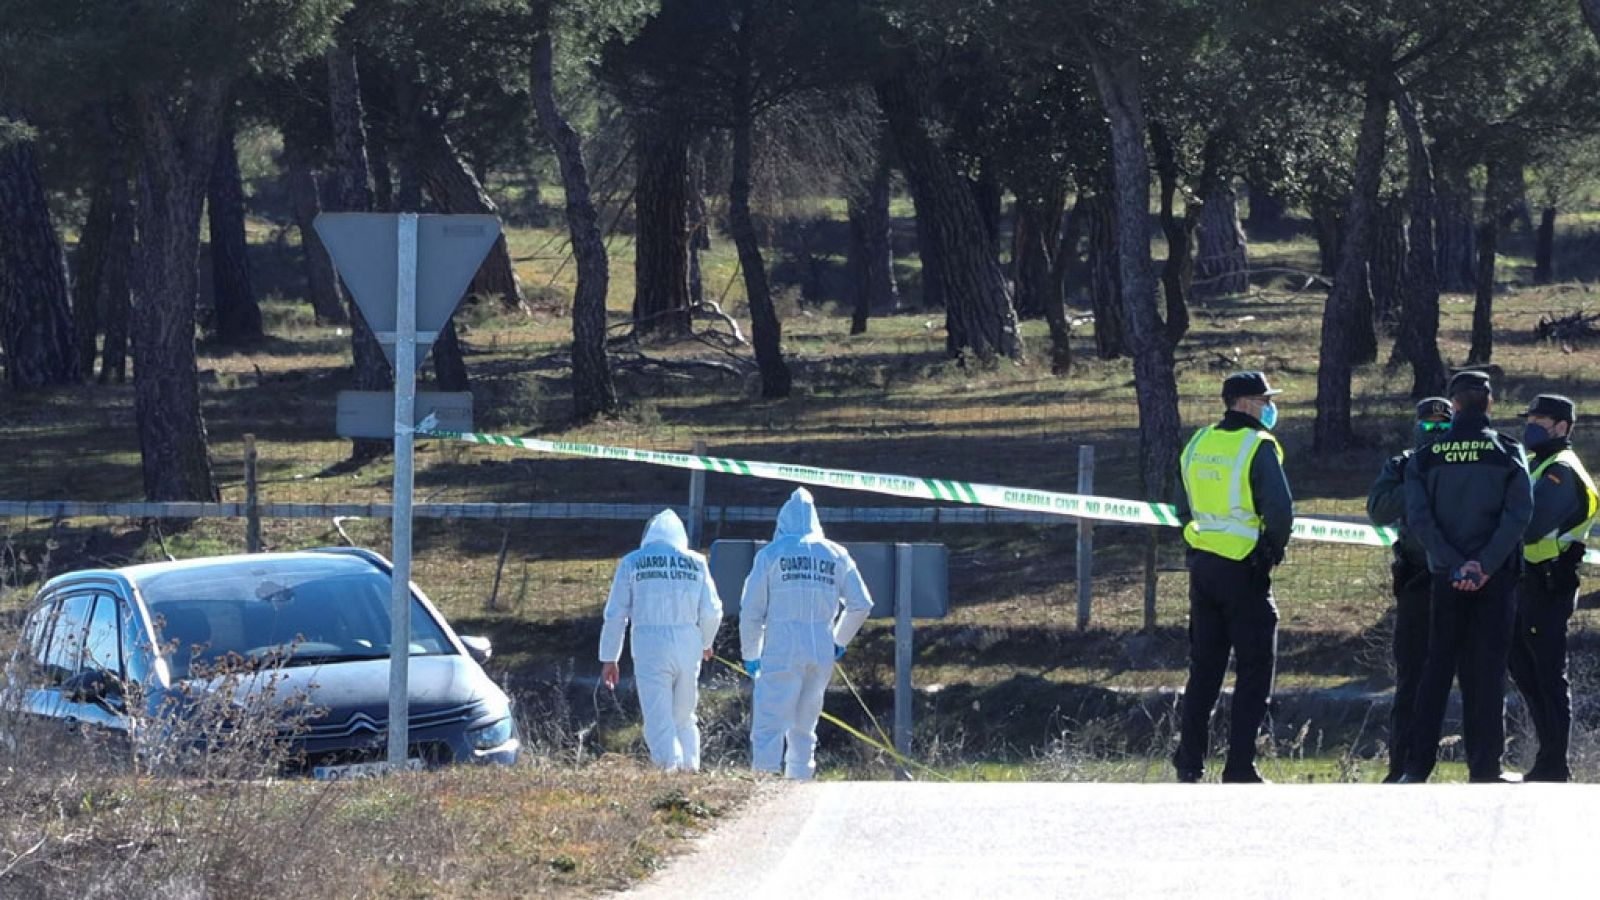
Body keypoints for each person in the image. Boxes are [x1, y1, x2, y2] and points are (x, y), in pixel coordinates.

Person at [1399, 371, 1533, 783]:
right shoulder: (1507, 451)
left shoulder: (1427, 457)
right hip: (1494, 580)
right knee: (1488, 672)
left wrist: (1455, 563)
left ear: (1453, 404)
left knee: (1435, 670)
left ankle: (1416, 767)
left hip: (1445, 578)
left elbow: (1419, 518)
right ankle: (1485, 768)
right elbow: (1519, 514)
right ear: (1488, 403)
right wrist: (1486, 564)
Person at [1172, 371, 1295, 784]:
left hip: (1204, 568)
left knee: (1204, 668)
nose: (1269, 407)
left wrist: (1194, 543)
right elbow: (1279, 510)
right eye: (1264, 400)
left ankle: (1189, 762)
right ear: (1244, 403)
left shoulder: (1199, 442)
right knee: (1255, 666)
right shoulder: (1258, 445)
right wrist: (1270, 551)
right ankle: (1240, 765)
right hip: (1244, 568)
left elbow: (1180, 504)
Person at [740, 487, 873, 780]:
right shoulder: (836, 554)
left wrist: (751, 654)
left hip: (781, 648)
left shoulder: (771, 555)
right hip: (820, 649)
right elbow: (861, 604)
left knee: (769, 726)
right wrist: (839, 640)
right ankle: (800, 786)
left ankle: (765, 789)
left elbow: (751, 611)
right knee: (804, 727)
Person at [1507, 395, 1595, 782]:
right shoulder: (1539, 464)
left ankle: (1554, 762)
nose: (1531, 427)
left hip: (1549, 584)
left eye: (1540, 421)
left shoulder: (1561, 471)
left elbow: (1531, 523)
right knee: (1525, 669)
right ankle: (1547, 756)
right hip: (1530, 583)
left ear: (1562, 427)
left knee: (1547, 673)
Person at [1367, 397, 1453, 782]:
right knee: (1411, 677)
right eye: (1429, 427)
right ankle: (1401, 765)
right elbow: (1378, 508)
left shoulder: (1463, 461)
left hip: (1457, 578)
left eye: (1443, 427)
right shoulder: (1403, 464)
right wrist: (1418, 478)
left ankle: (1484, 766)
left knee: (1472, 673)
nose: (1436, 433)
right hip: (1417, 578)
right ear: (1417, 428)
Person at [598, 509, 722, 772]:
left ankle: (670, 773)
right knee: (685, 717)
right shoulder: (697, 562)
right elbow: (712, 610)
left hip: (649, 644)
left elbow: (616, 613)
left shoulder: (633, 562)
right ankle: (690, 770)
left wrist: (610, 657)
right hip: (689, 643)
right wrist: (706, 642)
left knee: (658, 718)